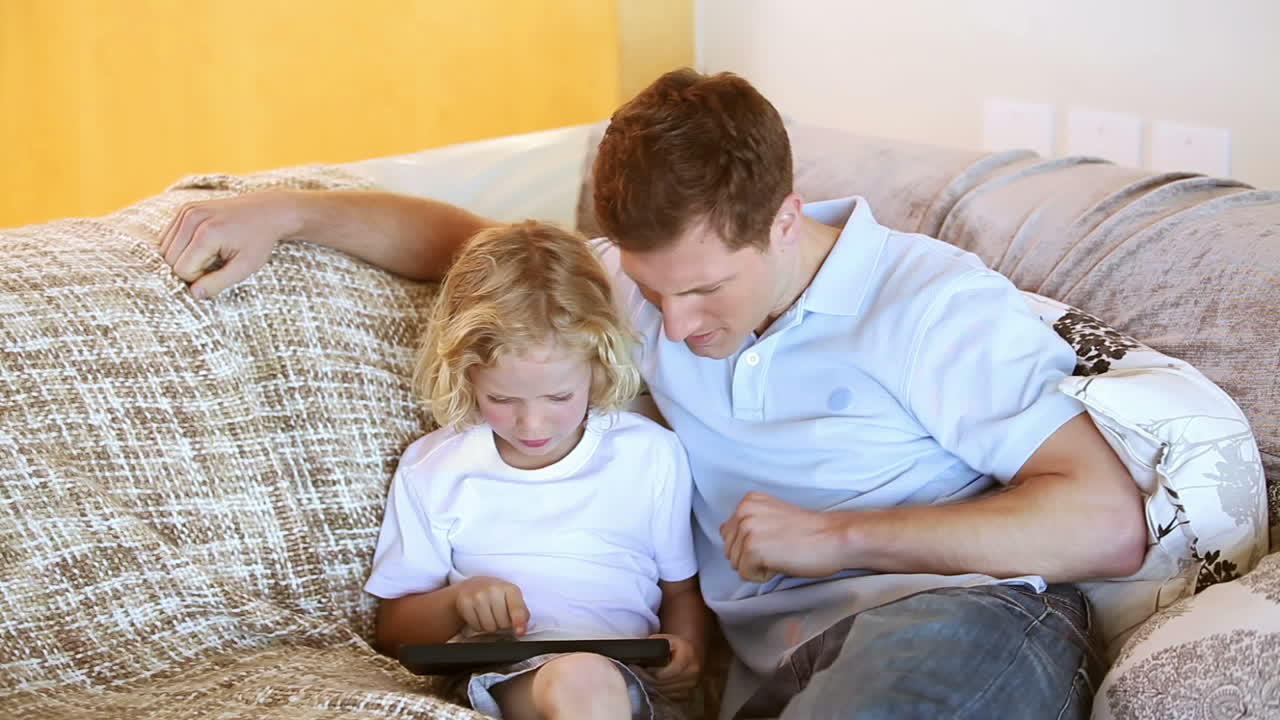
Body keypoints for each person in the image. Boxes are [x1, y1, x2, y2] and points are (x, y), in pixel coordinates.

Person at [159, 69, 1146, 719]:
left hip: (957, 616)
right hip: (773, 676)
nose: (672, 328)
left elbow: (1102, 523)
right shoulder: (639, 289)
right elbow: (474, 253)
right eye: (652, 288)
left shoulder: (926, 303)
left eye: (706, 288)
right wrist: (286, 211)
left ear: (784, 219)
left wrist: (841, 537)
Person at [360, 220, 708, 720]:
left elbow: (681, 590)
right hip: (500, 679)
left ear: (599, 362)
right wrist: (460, 601)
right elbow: (395, 629)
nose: (532, 423)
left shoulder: (650, 455)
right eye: (502, 398)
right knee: (578, 680)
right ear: (465, 371)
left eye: (559, 396)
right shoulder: (435, 469)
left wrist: (686, 648)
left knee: (588, 679)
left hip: (634, 682)